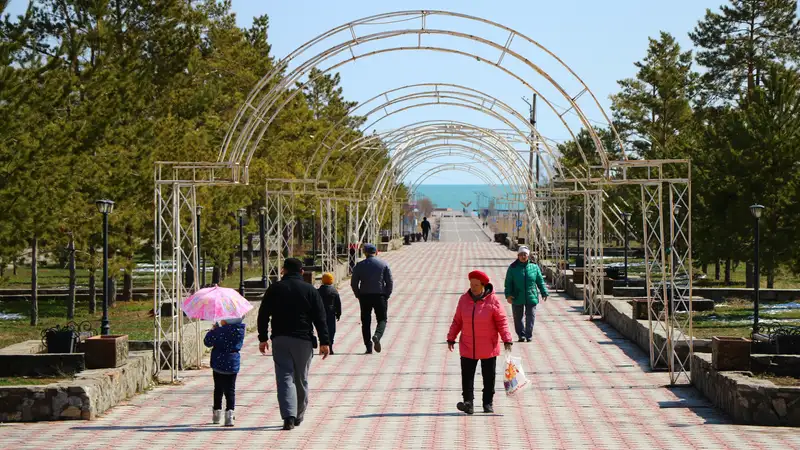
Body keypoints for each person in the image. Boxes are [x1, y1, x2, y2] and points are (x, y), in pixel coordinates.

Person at [258, 258, 330, 431]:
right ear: (302, 272)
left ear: (283, 271)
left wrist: (262, 338)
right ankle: (298, 415)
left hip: (280, 339)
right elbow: (320, 317)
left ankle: (288, 416)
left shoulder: (274, 289)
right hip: (303, 340)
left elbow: (263, 314)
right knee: (301, 378)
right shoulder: (310, 290)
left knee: (284, 378)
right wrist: (325, 341)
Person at [447, 270, 513, 414]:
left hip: (488, 345)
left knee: (489, 377)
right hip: (467, 345)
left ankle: (488, 403)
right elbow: (458, 320)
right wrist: (451, 337)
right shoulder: (464, 299)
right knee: (467, 376)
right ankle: (468, 403)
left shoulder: (493, 301)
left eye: (476, 285)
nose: (473, 287)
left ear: (483, 285)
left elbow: (502, 322)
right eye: (471, 284)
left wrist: (507, 339)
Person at [350, 243, 393, 354]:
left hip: (365, 296)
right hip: (380, 295)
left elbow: (354, 283)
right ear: (376, 252)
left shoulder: (359, 265)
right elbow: (389, 282)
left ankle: (368, 347)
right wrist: (386, 295)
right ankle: (377, 336)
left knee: (366, 321)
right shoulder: (383, 264)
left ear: (365, 253)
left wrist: (358, 294)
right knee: (382, 319)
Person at [204, 318, 246, 427]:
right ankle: (230, 415)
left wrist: (213, 330)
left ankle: (217, 413)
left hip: (218, 362)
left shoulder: (219, 331)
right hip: (233, 363)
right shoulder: (240, 330)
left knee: (218, 388)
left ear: (226, 320)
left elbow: (207, 342)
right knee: (230, 389)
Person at [504, 246, 548, 342]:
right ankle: (521, 335)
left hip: (531, 295)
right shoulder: (513, 268)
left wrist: (544, 292)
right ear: (518, 256)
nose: (523, 256)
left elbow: (540, 281)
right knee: (517, 317)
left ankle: (529, 335)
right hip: (517, 295)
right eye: (521, 255)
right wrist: (508, 295)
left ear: (528, 256)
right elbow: (508, 283)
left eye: (525, 254)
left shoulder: (534, 267)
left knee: (530, 316)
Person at [318, 272, 342, 355]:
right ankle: (330, 346)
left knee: (322, 329)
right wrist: (339, 314)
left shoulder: (318, 291)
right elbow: (338, 303)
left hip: (320, 313)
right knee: (331, 330)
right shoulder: (334, 291)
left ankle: (322, 346)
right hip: (331, 313)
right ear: (331, 281)